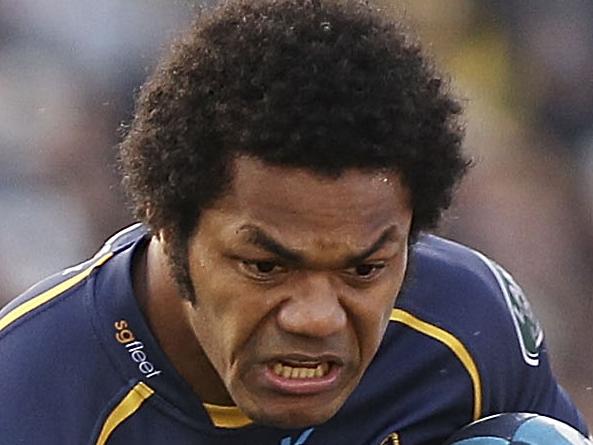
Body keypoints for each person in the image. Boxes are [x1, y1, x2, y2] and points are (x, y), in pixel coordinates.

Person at [0, 1, 588, 444]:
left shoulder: (468, 328)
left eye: (364, 268)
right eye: (265, 265)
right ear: (168, 226)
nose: (316, 317)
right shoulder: (27, 394)